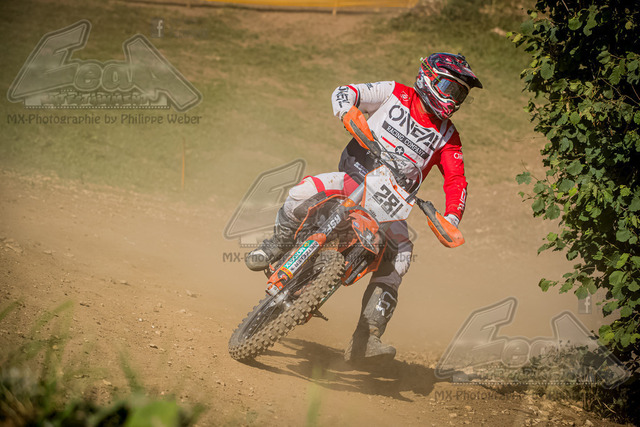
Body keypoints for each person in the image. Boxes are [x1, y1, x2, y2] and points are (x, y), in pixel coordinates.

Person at [245, 52, 483, 363]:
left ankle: (366, 337)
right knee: (302, 191)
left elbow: (456, 180)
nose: (454, 99)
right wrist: (347, 111)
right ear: (429, 78)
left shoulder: (448, 136)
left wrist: (451, 217)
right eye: (450, 88)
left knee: (402, 255)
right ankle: (278, 243)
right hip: (355, 179)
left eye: (460, 94)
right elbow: (345, 92)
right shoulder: (394, 93)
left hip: (391, 204)